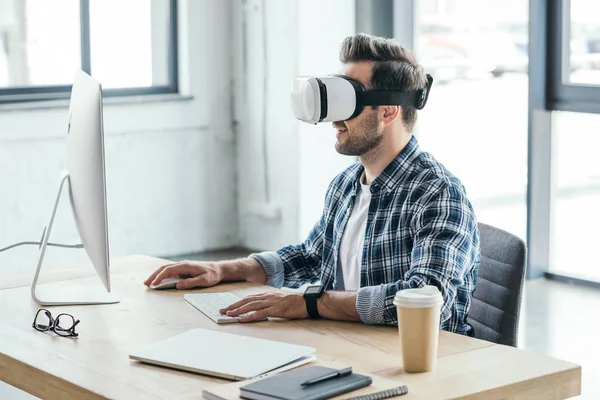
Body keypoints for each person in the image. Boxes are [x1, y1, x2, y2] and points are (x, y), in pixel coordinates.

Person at [144, 33, 481, 336]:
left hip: (418, 366)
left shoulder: (437, 193)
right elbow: (311, 257)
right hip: (349, 344)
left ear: (388, 112)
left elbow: (427, 299)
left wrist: (309, 304)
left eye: (350, 102)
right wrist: (223, 269)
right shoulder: (346, 185)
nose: (334, 119)